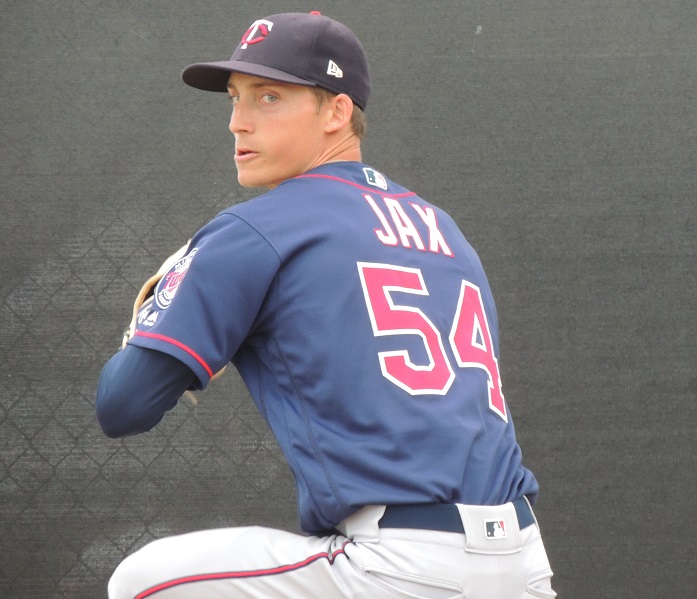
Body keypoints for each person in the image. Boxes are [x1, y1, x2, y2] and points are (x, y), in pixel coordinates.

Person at [96, 11, 555, 599]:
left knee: (141, 581)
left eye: (268, 97)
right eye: (235, 99)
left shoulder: (255, 230)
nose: (238, 123)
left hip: (399, 564)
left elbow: (123, 405)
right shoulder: (443, 230)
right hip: (522, 562)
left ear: (337, 111)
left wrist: (163, 305)